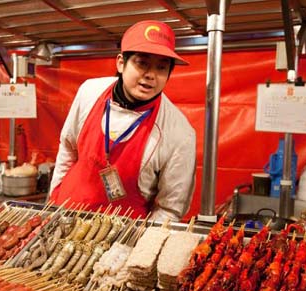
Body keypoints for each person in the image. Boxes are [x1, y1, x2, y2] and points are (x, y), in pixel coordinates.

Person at [49, 20, 196, 221]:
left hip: (121, 237)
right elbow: (68, 148)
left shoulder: (179, 133)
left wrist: (137, 247)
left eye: (161, 68)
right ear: (121, 63)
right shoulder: (89, 92)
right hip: (65, 213)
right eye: (142, 63)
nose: (151, 75)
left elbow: (170, 208)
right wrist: (53, 199)